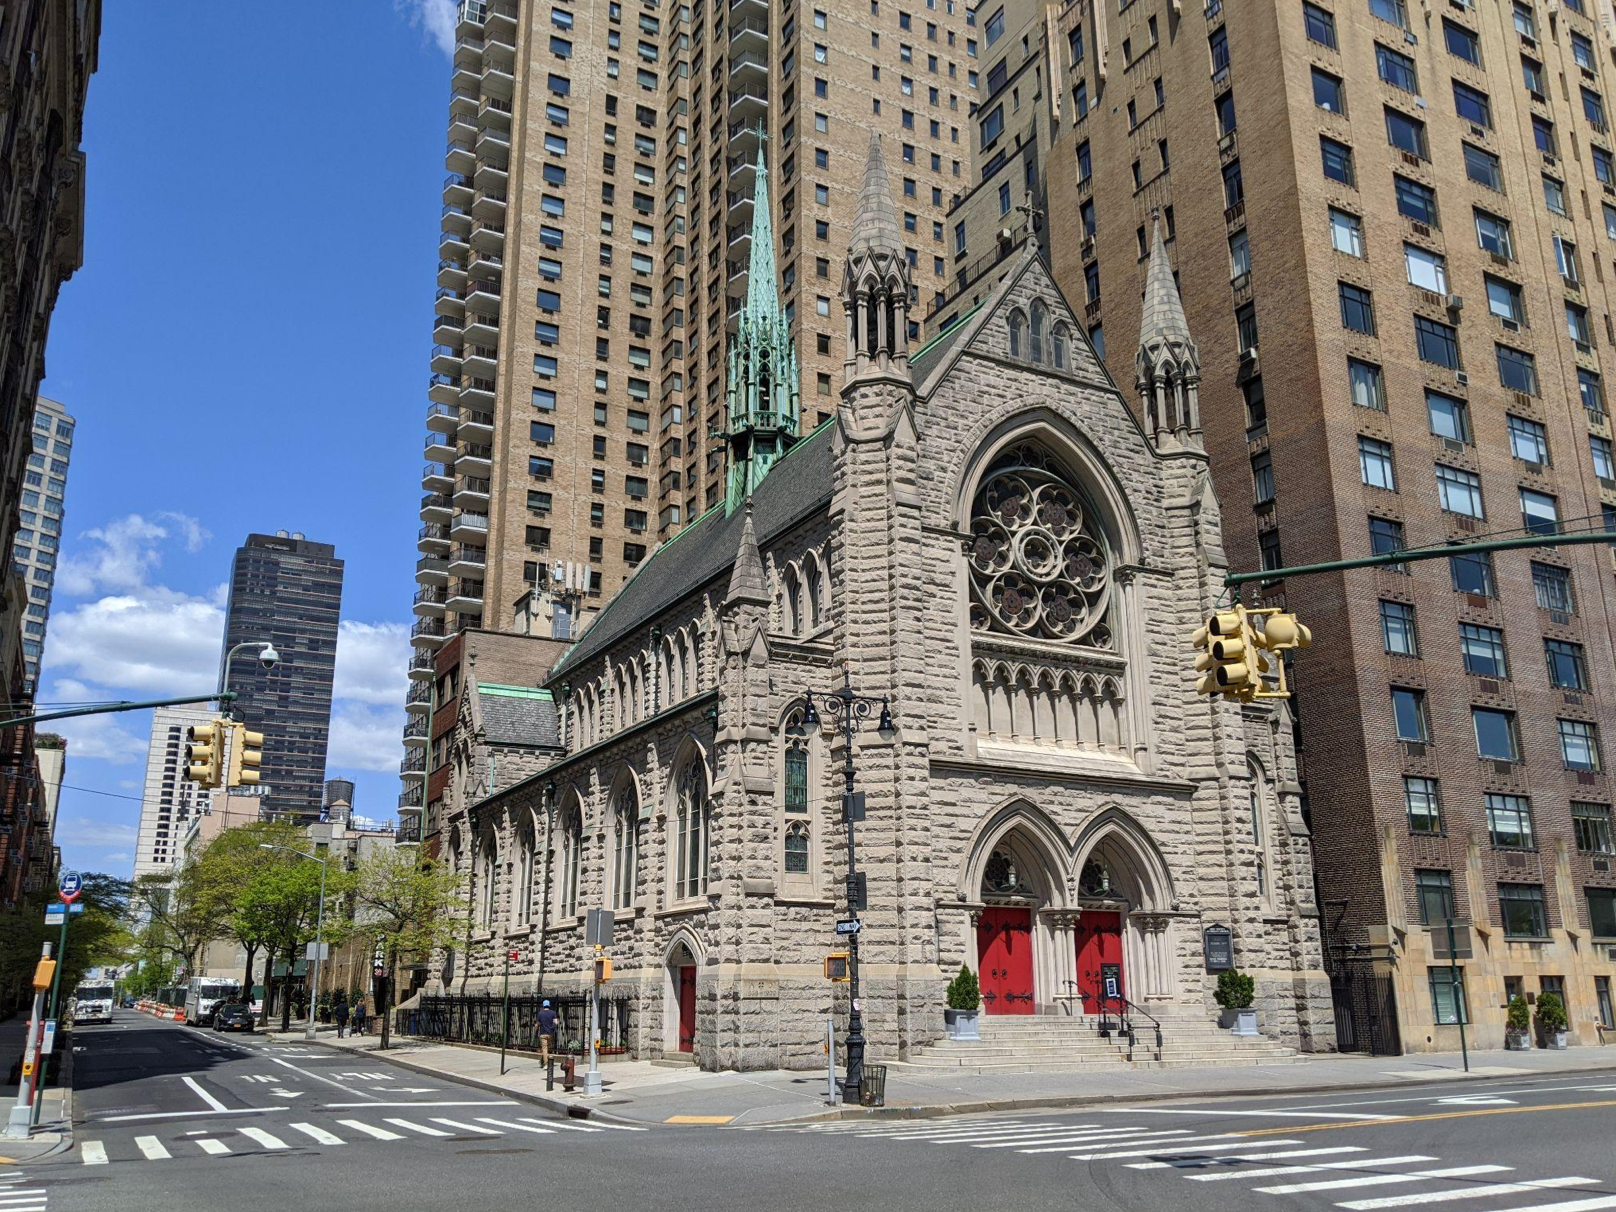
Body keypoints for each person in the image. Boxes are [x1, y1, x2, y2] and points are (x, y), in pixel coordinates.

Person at [536, 999, 558, 1065]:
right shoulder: (553, 1013)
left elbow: (537, 1024)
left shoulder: (540, 1013)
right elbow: (556, 1023)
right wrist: (552, 1028)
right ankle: (542, 1061)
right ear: (549, 1005)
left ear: (543, 1005)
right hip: (550, 1033)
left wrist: (536, 1030)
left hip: (543, 1033)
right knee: (546, 1048)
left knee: (544, 1049)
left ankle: (546, 1063)